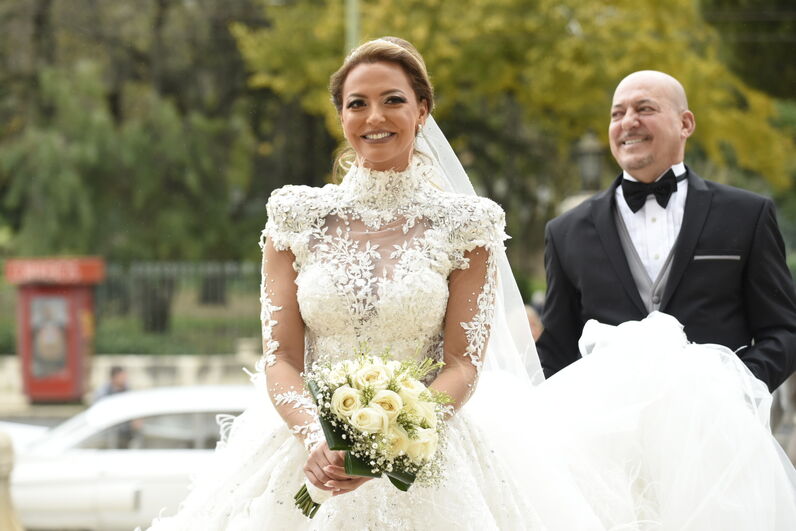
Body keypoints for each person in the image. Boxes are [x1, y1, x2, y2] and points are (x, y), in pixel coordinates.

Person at [146, 45, 796, 530]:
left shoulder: (469, 225)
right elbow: (281, 356)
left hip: (433, 445)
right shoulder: (293, 216)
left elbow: (464, 360)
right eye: (357, 103)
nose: (375, 116)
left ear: (422, 111)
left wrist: (399, 430)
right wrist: (320, 438)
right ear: (341, 116)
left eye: (394, 99)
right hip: (301, 449)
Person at [537, 70, 796, 393]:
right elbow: (555, 352)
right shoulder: (565, 232)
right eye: (617, 113)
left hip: (717, 431)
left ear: (685, 124)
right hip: (609, 435)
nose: (628, 121)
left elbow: (784, 330)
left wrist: (736, 389)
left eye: (644, 109)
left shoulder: (747, 215)